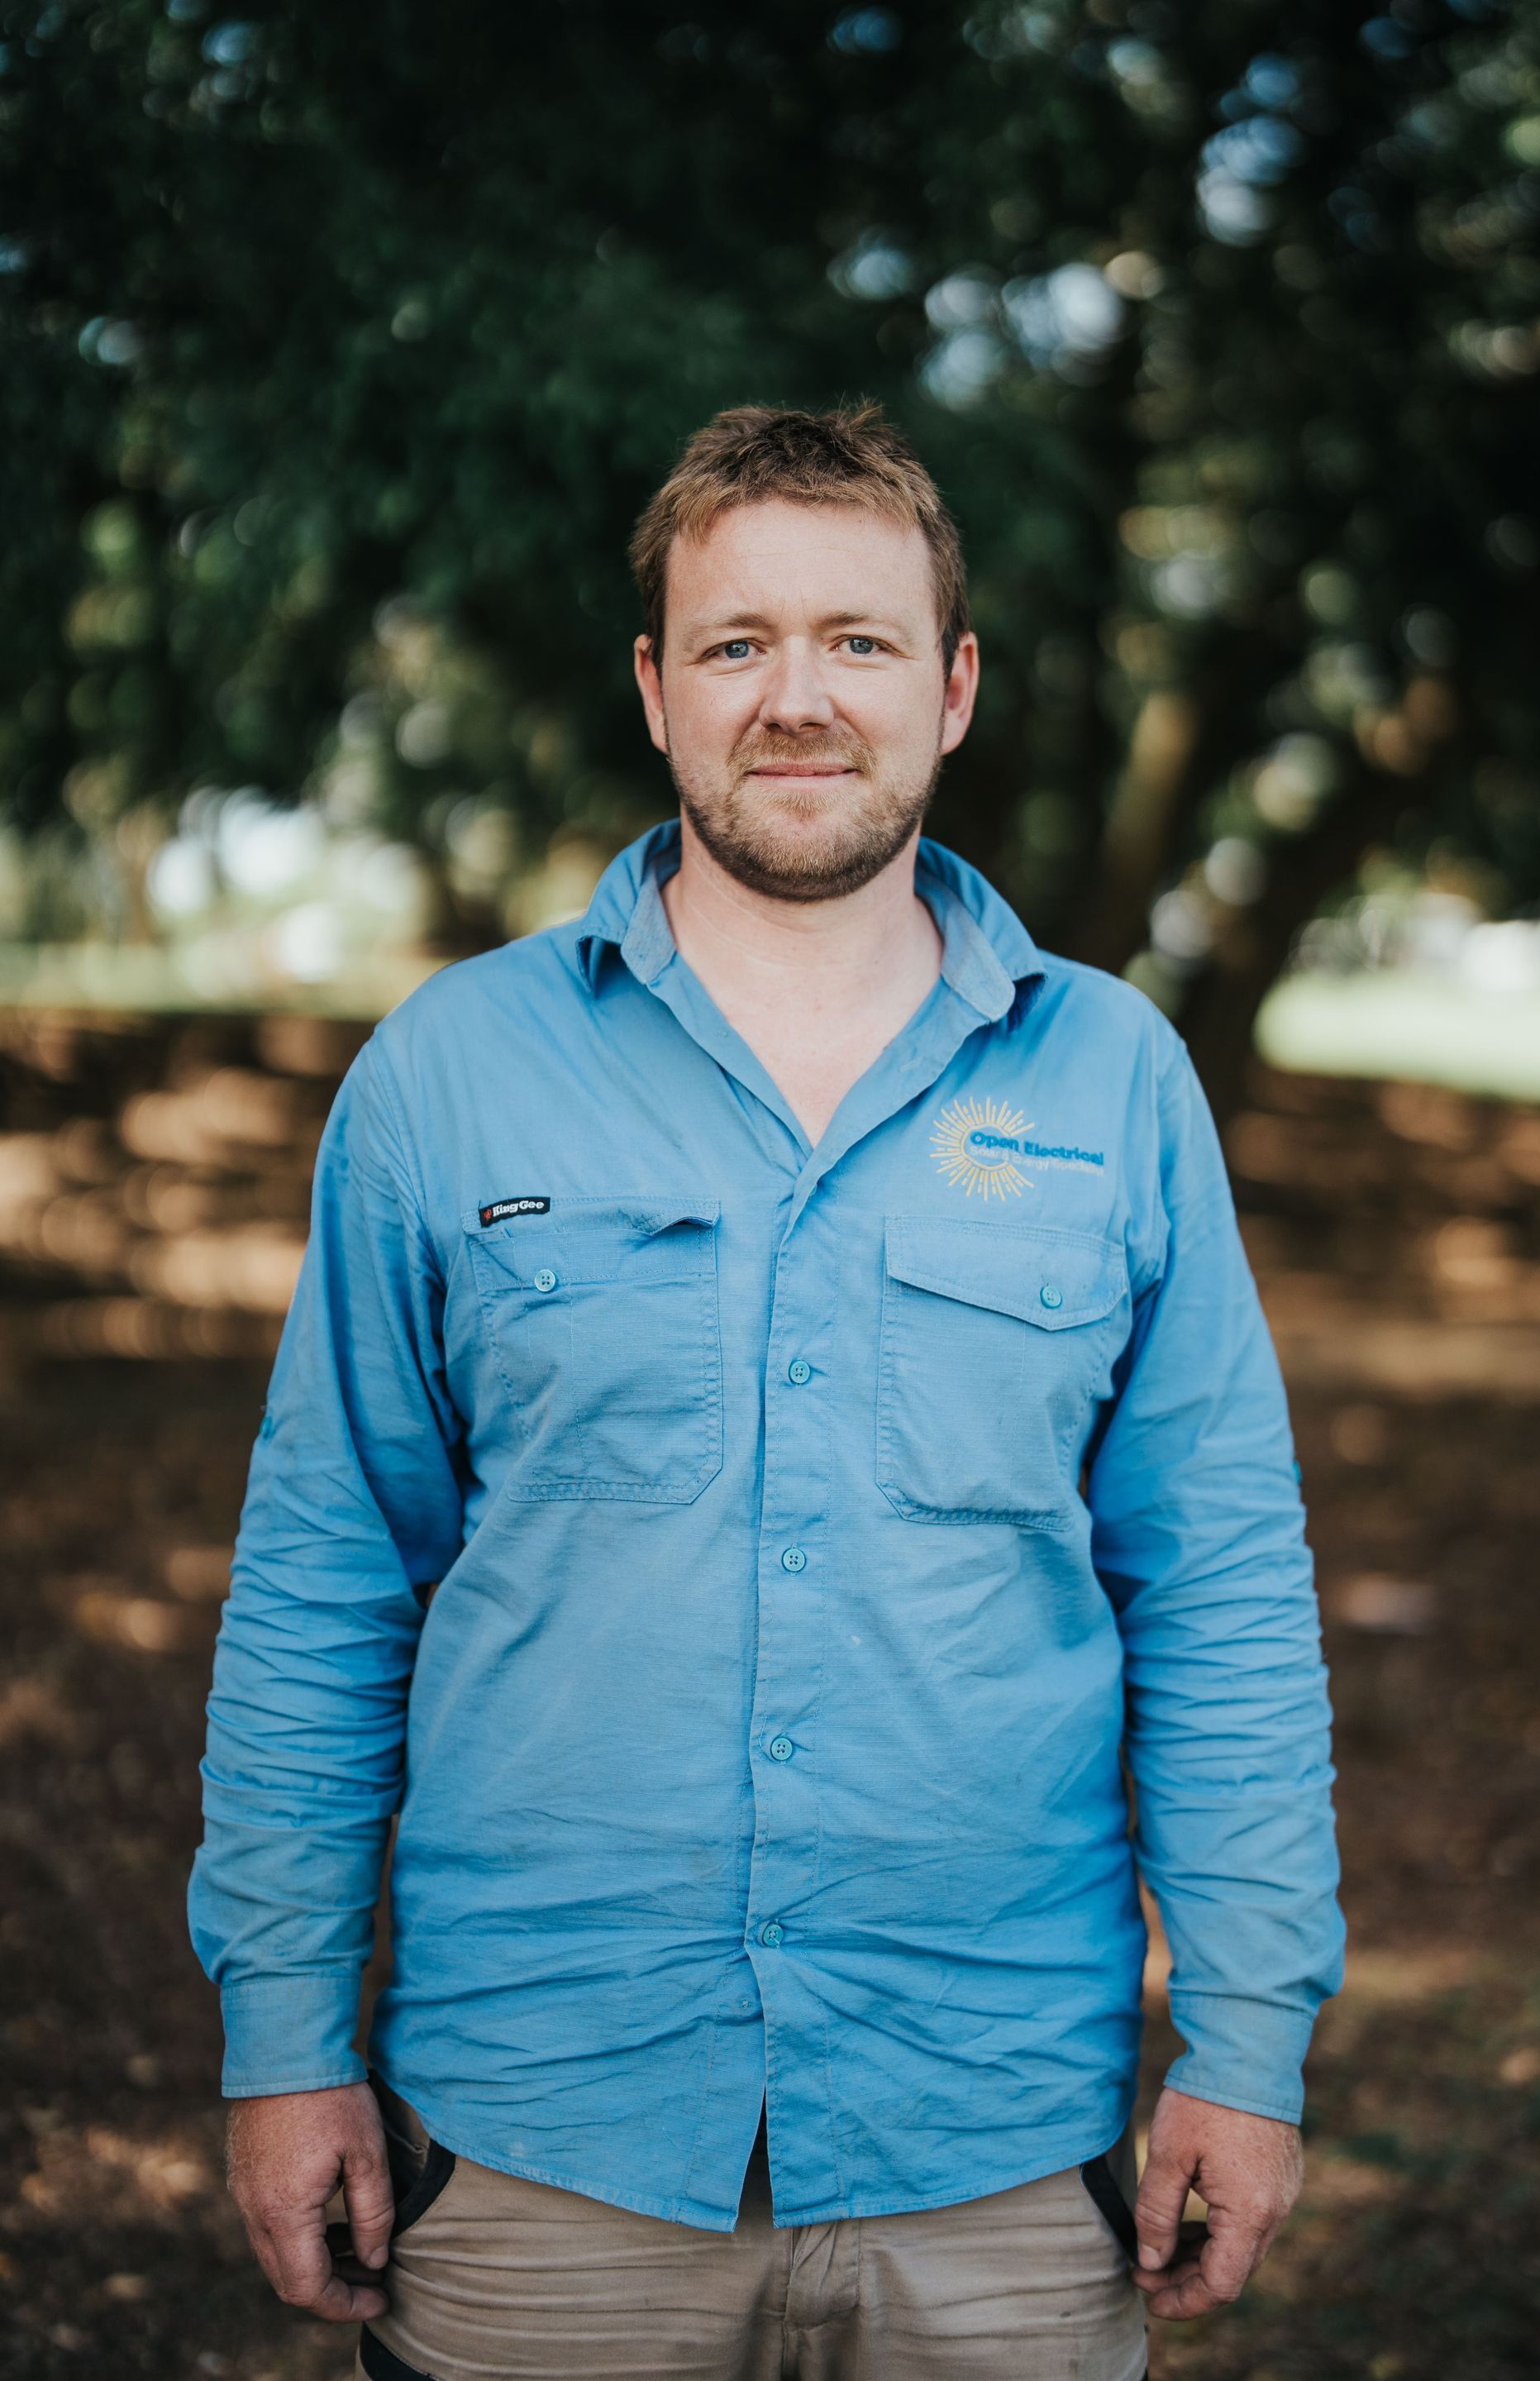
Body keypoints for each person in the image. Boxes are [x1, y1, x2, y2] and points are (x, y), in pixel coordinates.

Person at [192, 403, 1344, 2381]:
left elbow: (1220, 1591)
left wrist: (1247, 2045)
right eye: (736, 644)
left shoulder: (1117, 1081)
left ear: (955, 689)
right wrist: (283, 2040)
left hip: (992, 2153)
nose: (796, 699)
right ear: (654, 688)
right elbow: (326, 1585)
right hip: (546, 2153)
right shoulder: (446, 1076)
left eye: (860, 641)